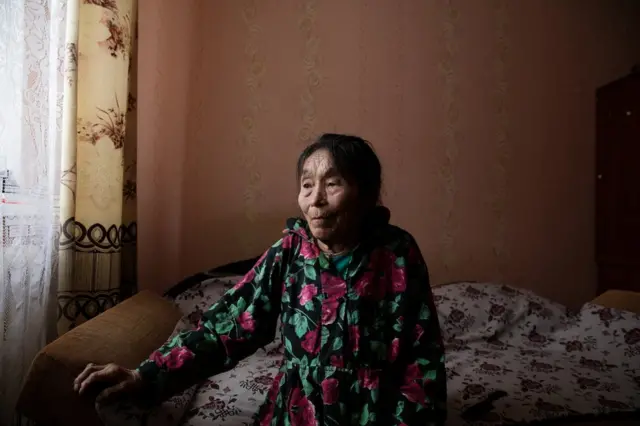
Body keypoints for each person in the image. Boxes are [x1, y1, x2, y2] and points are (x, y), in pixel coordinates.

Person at [74, 134, 447, 425]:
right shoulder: (291, 250)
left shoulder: (396, 253)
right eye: (306, 185)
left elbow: (421, 356)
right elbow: (229, 325)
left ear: (365, 196)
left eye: (332, 184)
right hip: (297, 413)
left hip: (374, 412)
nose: (315, 199)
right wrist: (145, 375)